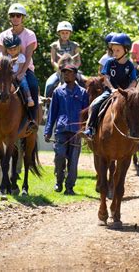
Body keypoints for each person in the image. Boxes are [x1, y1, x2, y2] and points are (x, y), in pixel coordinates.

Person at [0, 3, 39, 132]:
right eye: (13, 15)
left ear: (23, 18)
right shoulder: (3, 35)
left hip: (24, 68)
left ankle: (32, 120)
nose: (15, 18)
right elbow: (3, 56)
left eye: (18, 15)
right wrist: (6, 73)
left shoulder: (30, 35)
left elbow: (27, 56)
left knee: (32, 85)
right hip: (6, 70)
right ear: (10, 18)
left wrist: (21, 73)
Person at [44, 64, 89, 195]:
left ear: (75, 75)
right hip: (61, 130)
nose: (66, 75)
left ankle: (70, 187)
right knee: (59, 156)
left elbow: (86, 114)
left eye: (69, 73)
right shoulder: (58, 92)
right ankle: (58, 182)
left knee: (73, 161)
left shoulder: (83, 93)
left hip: (76, 132)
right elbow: (52, 113)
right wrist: (48, 131)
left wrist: (85, 130)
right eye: (64, 73)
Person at [83, 33, 137, 139]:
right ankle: (91, 128)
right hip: (110, 91)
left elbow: (134, 81)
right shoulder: (109, 62)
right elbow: (106, 78)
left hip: (125, 93)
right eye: (113, 50)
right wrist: (112, 89)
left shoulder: (130, 65)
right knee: (96, 104)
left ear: (126, 50)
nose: (115, 53)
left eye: (118, 50)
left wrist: (126, 91)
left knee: (138, 106)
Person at [44, 21, 81, 98]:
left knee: (84, 83)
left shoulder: (75, 45)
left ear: (70, 33)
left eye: (67, 33)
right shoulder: (54, 46)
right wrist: (60, 68)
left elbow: (78, 61)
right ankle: (47, 104)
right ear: (59, 33)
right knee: (49, 84)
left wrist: (74, 69)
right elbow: (53, 60)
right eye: (63, 33)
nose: (65, 35)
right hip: (60, 72)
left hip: (73, 72)